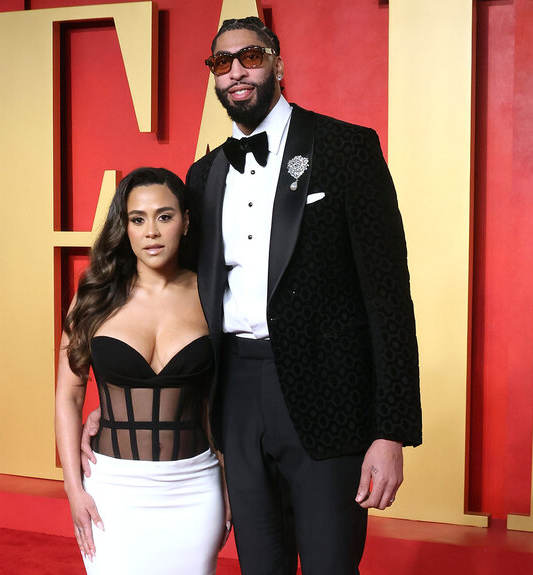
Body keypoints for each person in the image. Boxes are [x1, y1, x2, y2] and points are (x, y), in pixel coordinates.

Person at [84, 16, 422, 575]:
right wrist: (121, 395)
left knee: (330, 566)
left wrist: (391, 432)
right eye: (222, 63)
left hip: (328, 398)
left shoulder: (346, 150)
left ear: (278, 64)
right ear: (214, 78)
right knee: (259, 565)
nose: (236, 71)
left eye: (251, 57)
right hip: (234, 395)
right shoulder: (202, 176)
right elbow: (169, 296)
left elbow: (389, 298)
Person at [55, 167, 228, 575]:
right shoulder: (94, 296)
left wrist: (227, 482)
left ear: (185, 222)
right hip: (112, 490)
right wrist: (73, 487)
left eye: (164, 217)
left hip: (195, 486)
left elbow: (224, 397)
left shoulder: (212, 295)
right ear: (125, 228)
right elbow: (68, 394)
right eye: (138, 219)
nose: (151, 231)